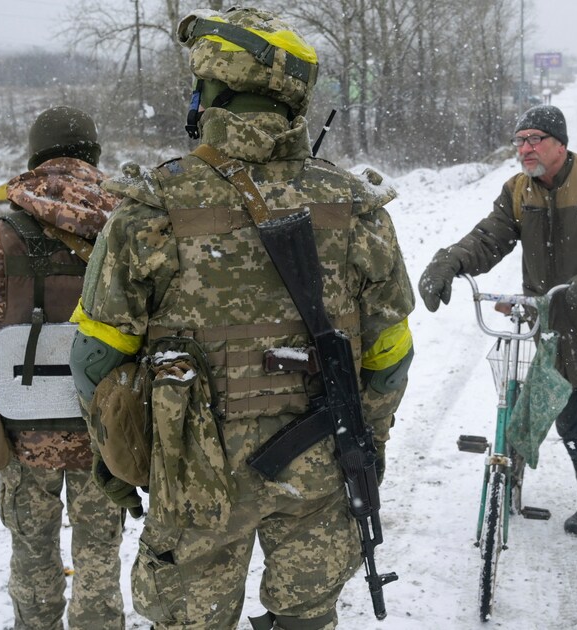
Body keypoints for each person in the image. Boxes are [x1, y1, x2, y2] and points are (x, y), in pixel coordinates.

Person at [68, 7, 415, 629]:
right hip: (320, 466)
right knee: (308, 617)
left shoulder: (151, 211)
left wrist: (121, 459)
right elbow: (389, 354)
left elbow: (95, 359)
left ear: (209, 94)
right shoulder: (355, 207)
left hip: (193, 477)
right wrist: (368, 443)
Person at [418, 104, 577, 549]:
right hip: (556, 335)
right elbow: (489, 237)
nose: (524, 149)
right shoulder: (518, 192)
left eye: (534, 139)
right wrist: (449, 260)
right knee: (574, 427)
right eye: (519, 141)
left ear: (559, 143)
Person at [0, 106, 126, 629]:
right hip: (105, 428)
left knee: (32, 551)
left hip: (20, 429)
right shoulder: (129, 228)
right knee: (100, 556)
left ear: (34, 156)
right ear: (95, 156)